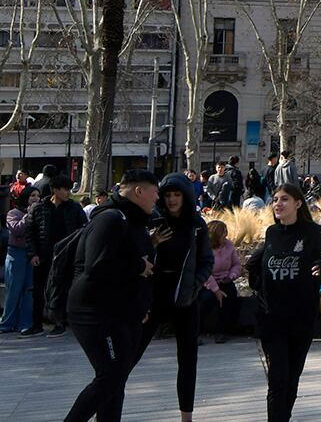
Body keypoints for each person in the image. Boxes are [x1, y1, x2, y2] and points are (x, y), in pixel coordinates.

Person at [246, 184, 321, 422]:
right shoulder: (272, 232)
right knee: (277, 381)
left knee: (291, 380)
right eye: (275, 200)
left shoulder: (312, 233)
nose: (278, 204)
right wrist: (258, 283)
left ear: (298, 203)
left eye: (284, 199)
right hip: (272, 319)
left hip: (301, 318)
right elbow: (256, 264)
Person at [63, 169, 160, 422]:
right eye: (155, 192)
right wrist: (139, 266)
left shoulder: (133, 220)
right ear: (139, 191)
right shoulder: (111, 218)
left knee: (117, 380)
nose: (157, 198)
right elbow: (98, 264)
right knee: (111, 375)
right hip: (94, 310)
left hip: (121, 310)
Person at [135, 173, 213, 422]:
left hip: (185, 296)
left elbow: (206, 261)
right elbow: (135, 254)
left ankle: (186, 417)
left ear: (185, 197)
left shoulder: (197, 225)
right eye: (167, 195)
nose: (171, 200)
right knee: (131, 351)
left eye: (177, 195)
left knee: (188, 359)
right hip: (154, 293)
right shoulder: (154, 220)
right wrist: (152, 242)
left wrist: (195, 285)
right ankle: (106, 402)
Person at [30, 174, 87, 336]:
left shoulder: (74, 208)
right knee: (38, 290)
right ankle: (36, 324)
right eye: (65, 189)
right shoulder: (39, 207)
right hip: (44, 256)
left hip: (66, 256)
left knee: (60, 290)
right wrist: (32, 254)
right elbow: (30, 232)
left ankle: (59, 322)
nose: (68, 193)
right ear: (55, 190)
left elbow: (83, 229)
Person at [200, 219, 242, 343]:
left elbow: (237, 264)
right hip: (207, 283)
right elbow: (204, 271)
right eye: (223, 233)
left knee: (230, 297)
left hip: (225, 280)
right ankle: (195, 332)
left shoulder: (229, 245)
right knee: (206, 300)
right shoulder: (203, 248)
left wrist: (232, 275)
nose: (226, 235)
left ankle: (222, 331)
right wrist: (216, 290)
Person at [1, 186, 34, 334]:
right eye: (32, 195)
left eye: (37, 196)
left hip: (31, 255)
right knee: (14, 290)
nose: (35, 198)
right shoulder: (13, 213)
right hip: (16, 254)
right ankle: (7, 323)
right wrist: (28, 215)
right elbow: (16, 229)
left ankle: (24, 323)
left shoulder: (38, 213)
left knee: (29, 290)